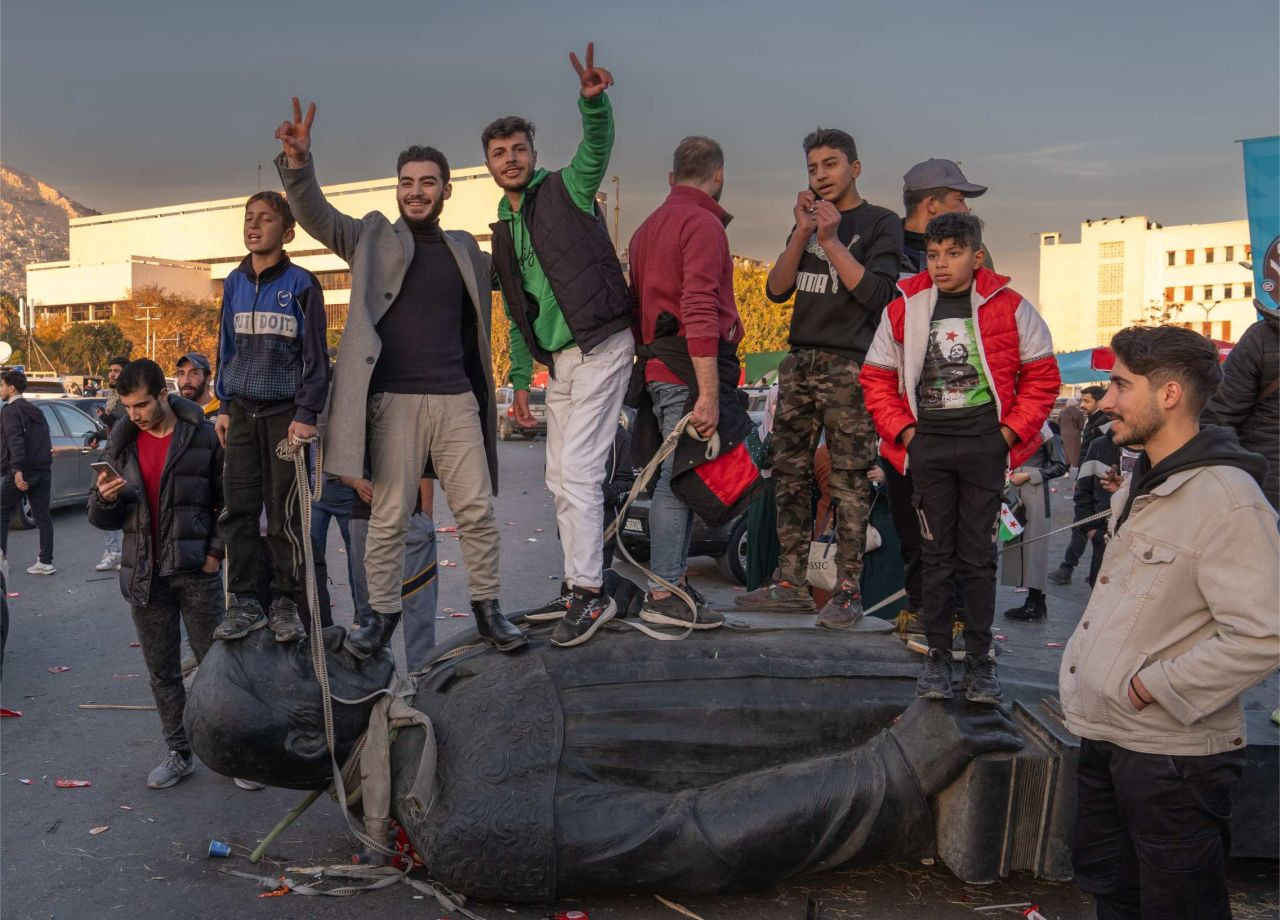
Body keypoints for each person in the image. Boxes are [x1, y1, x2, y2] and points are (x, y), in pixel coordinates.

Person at [276, 102, 515, 656]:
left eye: (428, 183)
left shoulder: (466, 251)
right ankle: (380, 616)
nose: (416, 192)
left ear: (446, 190)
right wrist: (299, 162)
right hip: (392, 403)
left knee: (476, 510)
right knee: (387, 519)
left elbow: (521, 281)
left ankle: (488, 610)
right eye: (407, 183)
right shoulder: (371, 239)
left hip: (457, 400)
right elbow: (315, 214)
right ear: (397, 189)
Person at [1060, 324, 1279, 920]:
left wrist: (1152, 686)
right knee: (1114, 893)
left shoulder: (1228, 499)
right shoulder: (1143, 480)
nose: (1105, 401)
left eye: (1119, 385)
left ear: (1170, 394)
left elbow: (1266, 633)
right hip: (1109, 738)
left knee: (1178, 907)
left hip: (1173, 760)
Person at [862, 212, 1059, 704]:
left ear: (977, 255)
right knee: (935, 558)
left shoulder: (1012, 306)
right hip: (927, 448)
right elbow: (876, 378)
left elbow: (1042, 378)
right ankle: (936, 660)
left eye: (953, 253)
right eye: (933, 254)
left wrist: (1008, 434)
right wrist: (907, 433)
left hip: (984, 449)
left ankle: (978, 660)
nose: (942, 264)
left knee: (977, 559)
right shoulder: (904, 306)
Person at [486, 43, 635, 647]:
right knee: (557, 475)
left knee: (577, 469)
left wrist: (593, 104)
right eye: (499, 154)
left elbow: (595, 149)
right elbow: (521, 316)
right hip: (561, 363)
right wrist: (521, 386)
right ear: (489, 166)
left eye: (518, 149)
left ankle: (591, 594)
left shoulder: (566, 190)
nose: (510, 159)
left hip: (601, 342)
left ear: (533, 154)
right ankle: (581, 587)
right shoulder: (502, 229)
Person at [736, 128, 903, 626]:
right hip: (800, 361)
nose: (821, 175)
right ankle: (789, 582)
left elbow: (879, 297)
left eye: (831, 164)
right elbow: (775, 289)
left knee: (850, 478)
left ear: (855, 167)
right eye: (812, 168)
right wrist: (805, 234)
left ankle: (848, 589)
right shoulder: (807, 224)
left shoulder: (880, 223)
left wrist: (830, 240)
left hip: (850, 363)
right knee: (789, 474)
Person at [85, 359, 230, 790]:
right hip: (146, 577)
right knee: (163, 671)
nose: (135, 415)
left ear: (164, 395)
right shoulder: (121, 443)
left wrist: (215, 554)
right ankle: (179, 752)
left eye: (142, 405)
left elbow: (229, 500)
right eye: (127, 407)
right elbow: (100, 518)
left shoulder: (201, 436)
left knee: (216, 668)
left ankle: (228, 754)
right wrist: (105, 498)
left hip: (196, 572)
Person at [627, 136, 738, 630]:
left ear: (671, 178)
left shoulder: (645, 229)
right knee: (679, 483)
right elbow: (698, 308)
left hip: (658, 366)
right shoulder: (703, 223)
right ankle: (665, 591)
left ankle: (671, 585)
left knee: (682, 479)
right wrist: (709, 393)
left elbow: (636, 313)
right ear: (718, 176)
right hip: (685, 370)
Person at [211, 191, 327, 645]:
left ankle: (284, 601)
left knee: (285, 516)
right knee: (238, 512)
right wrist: (222, 406)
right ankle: (243, 603)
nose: (253, 225)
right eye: (248, 218)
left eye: (264, 219)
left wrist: (307, 413)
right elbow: (226, 348)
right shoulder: (234, 283)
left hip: (286, 418)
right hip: (240, 413)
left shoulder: (302, 284)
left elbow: (317, 358)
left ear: (287, 232)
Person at [346, 473, 439, 672]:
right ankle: (380, 686)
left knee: (419, 606)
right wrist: (355, 483)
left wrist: (426, 514)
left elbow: (422, 465)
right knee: (370, 614)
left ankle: (422, 682)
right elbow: (337, 462)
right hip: (365, 517)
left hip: (410, 517)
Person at [1202, 304, 1279, 510]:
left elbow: (1219, 417)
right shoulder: (1263, 338)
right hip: (1266, 491)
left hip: (1263, 492)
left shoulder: (1261, 336)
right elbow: (1219, 417)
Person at [1000, 424, 1069, 620]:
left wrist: (1031, 475)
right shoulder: (1010, 423)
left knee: (1035, 546)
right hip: (1013, 489)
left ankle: (1036, 602)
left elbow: (1061, 466)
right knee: (1014, 542)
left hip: (1035, 493)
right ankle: (1032, 601)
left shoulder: (1048, 431)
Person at [1048, 384, 1109, 585]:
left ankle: (1069, 568)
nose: (1083, 405)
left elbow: (1100, 457)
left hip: (1098, 485)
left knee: (1083, 526)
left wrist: (1086, 482)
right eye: (1082, 400)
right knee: (1082, 526)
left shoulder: (1105, 423)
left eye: (1087, 401)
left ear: (1100, 401)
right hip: (1088, 481)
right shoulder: (1095, 419)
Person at [0, 370, 55, 575]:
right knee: (43, 516)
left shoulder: (10, 410)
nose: (1, 389)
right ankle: (46, 561)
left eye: (1, 385)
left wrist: (16, 470)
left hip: (23, 470)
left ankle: (1, 561)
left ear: (11, 388)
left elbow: (15, 441)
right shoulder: (35, 410)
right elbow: (44, 439)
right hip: (42, 469)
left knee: (2, 511)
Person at [899, 158, 987, 276]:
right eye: (960, 200)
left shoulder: (974, 249)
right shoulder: (879, 245)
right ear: (932, 204)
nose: (965, 209)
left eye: (953, 254)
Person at [91, 355, 131, 572]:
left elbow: (129, 425)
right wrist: (97, 434)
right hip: (112, 456)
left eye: (116, 370)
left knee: (130, 506)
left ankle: (127, 551)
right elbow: (113, 430)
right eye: (110, 370)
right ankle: (113, 552)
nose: (112, 374)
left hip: (130, 459)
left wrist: (110, 420)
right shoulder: (113, 396)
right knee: (107, 499)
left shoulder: (131, 395)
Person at [1057, 397, 1085, 468]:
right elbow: (1082, 426)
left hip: (1063, 433)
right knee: (1075, 450)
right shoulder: (1079, 413)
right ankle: (1075, 465)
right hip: (1075, 434)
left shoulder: (1062, 412)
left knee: (1065, 450)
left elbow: (1058, 422)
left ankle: (1066, 467)